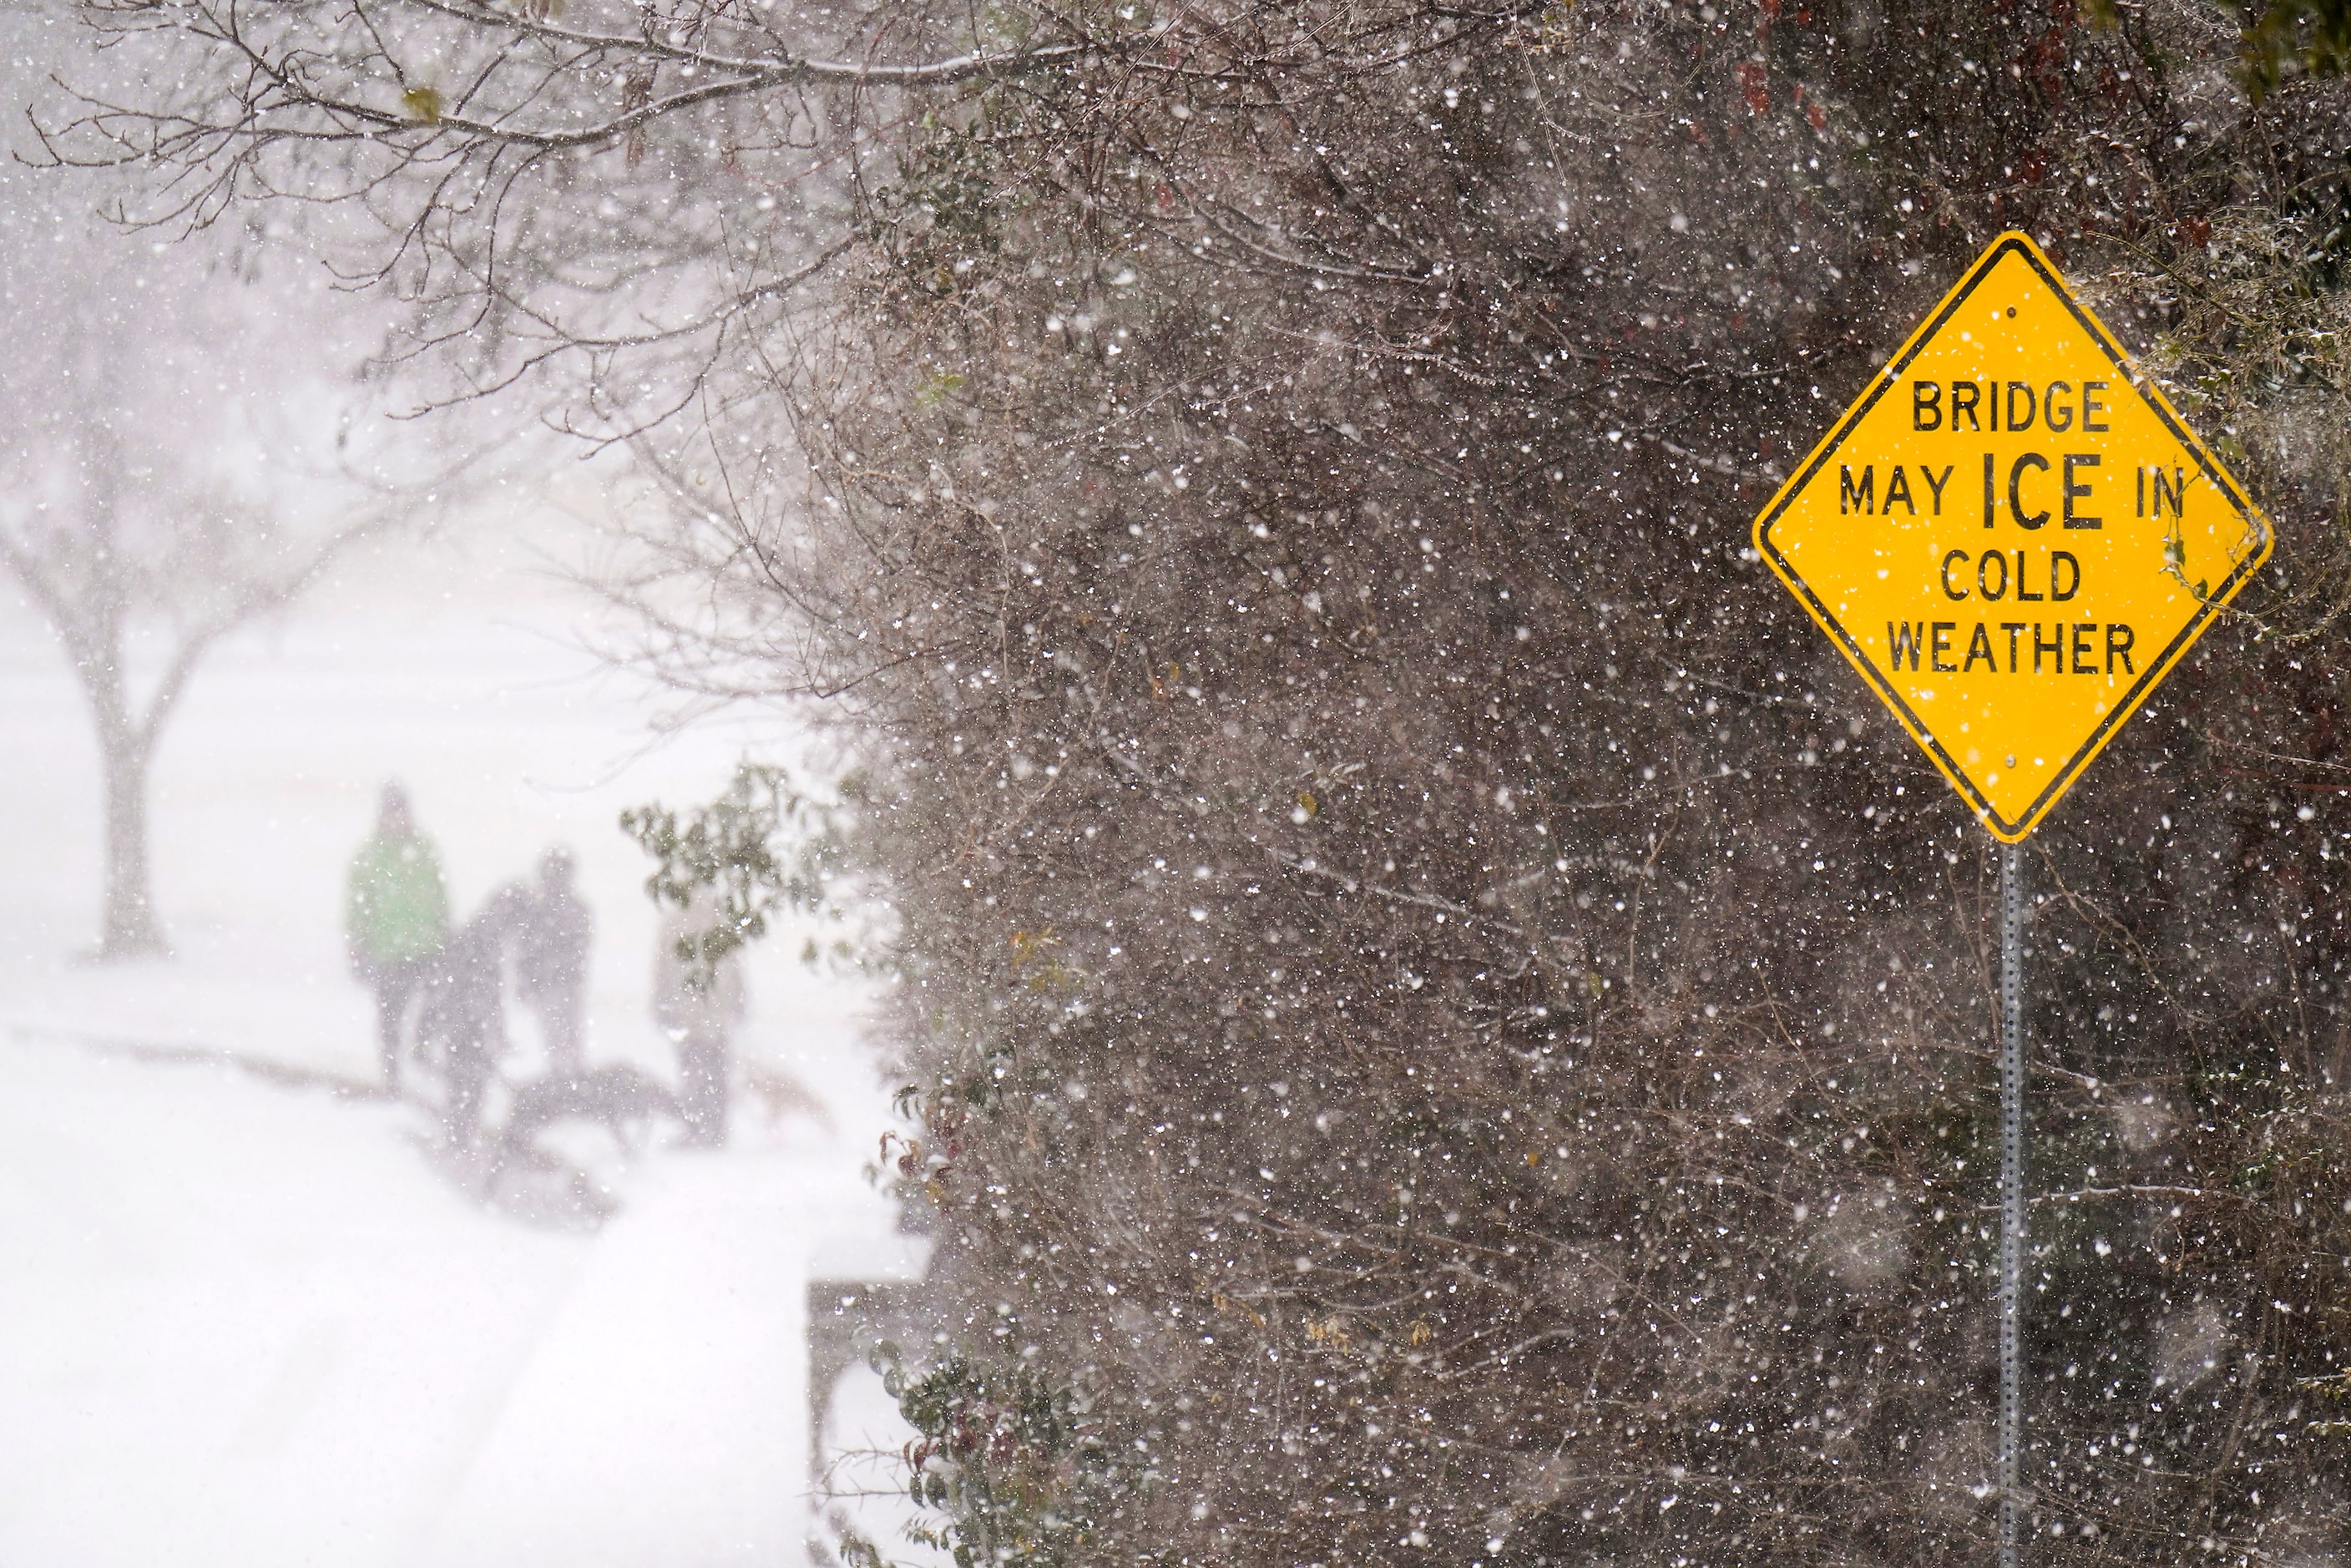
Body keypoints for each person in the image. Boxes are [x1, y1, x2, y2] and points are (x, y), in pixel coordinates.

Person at [345, 784, 450, 1094]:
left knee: (435, 1011)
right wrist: (356, 947)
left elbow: (440, 895)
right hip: (387, 953)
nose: (398, 820)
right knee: (390, 1019)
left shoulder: (425, 849)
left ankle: (422, 1058)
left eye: (402, 813)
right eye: (393, 813)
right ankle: (392, 1078)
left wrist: (446, 932)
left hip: (427, 949)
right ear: (383, 815)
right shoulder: (368, 857)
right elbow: (358, 906)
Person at [653, 890, 745, 1147]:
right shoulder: (719, 922)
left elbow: (662, 970)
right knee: (712, 1071)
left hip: (692, 1014)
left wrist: (661, 1006)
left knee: (695, 1072)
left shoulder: (676, 924)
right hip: (709, 1015)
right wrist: (739, 1001)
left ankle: (701, 1127)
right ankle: (711, 1128)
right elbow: (735, 967)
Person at [517, 847, 593, 1080]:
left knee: (564, 1036)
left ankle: (567, 1079)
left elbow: (580, 948)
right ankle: (566, 1080)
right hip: (552, 984)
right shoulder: (540, 910)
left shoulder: (548, 909)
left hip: (559, 983)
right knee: (561, 1037)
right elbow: (525, 951)